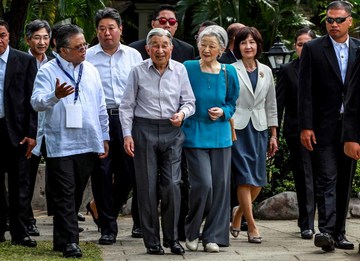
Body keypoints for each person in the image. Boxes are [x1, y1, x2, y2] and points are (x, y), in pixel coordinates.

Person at [31, 24, 109, 258]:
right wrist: (55, 96)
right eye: (79, 47)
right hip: (61, 143)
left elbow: (101, 105)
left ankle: (61, 238)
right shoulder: (47, 71)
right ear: (63, 50)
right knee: (65, 192)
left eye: (85, 44)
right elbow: (36, 103)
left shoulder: (91, 70)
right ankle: (71, 243)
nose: (84, 49)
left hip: (87, 140)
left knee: (75, 193)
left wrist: (104, 136)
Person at [119, 28, 195, 255]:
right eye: (156, 46)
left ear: (171, 48)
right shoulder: (137, 71)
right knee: (147, 187)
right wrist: (127, 134)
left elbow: (190, 102)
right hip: (144, 130)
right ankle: (151, 240)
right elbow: (126, 106)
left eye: (165, 45)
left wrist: (182, 114)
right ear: (147, 49)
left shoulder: (180, 70)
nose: (160, 50)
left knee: (172, 185)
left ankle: (172, 238)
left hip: (172, 131)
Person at [298, 0, 360, 252]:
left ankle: (339, 233)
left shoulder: (359, 48)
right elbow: (305, 90)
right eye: (329, 20)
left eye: (338, 20)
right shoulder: (313, 48)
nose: (333, 25)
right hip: (323, 126)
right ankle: (325, 231)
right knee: (327, 178)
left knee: (345, 180)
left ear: (350, 21)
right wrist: (305, 126)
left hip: (351, 127)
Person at [86, 7, 143, 245]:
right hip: (99, 119)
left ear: (120, 29)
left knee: (130, 174)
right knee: (101, 172)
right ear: (96, 32)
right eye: (102, 29)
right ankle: (108, 227)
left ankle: (98, 207)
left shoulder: (133, 56)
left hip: (128, 118)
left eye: (111, 28)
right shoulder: (87, 56)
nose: (107, 33)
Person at [182, 25, 239, 253]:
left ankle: (213, 236)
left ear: (221, 49)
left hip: (221, 134)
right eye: (203, 44)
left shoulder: (229, 72)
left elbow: (232, 103)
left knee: (221, 187)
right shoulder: (187, 67)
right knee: (203, 184)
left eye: (212, 46)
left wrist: (223, 112)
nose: (206, 49)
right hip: (194, 132)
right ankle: (191, 231)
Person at [230, 26, 278, 244]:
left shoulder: (266, 70)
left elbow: (271, 105)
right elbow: (227, 100)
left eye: (252, 42)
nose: (248, 46)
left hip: (259, 128)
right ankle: (253, 226)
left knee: (258, 179)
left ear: (258, 45)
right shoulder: (230, 69)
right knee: (244, 176)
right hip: (237, 128)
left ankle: (238, 214)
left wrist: (274, 134)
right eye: (243, 42)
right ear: (237, 46)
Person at [0, 19, 38, 247]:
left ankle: (20, 231)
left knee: (20, 185)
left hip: (17, 131)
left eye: (2, 35)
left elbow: (32, 101)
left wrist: (32, 134)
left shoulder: (24, 61)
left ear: (8, 36)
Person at [276, 28, 316, 240]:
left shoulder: (322, 68)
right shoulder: (287, 69)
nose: (303, 48)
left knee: (323, 178)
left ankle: (327, 223)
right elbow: (279, 103)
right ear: (295, 46)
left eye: (307, 44)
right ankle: (307, 224)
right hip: (296, 132)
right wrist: (274, 132)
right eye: (300, 44)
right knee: (304, 177)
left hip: (324, 132)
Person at [24, 18, 52, 238]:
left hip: (51, 128)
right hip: (29, 128)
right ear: (28, 39)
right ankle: (27, 220)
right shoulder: (21, 61)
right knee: (27, 176)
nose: (41, 42)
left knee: (58, 174)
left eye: (45, 37)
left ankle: (62, 218)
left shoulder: (53, 63)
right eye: (37, 37)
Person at [129, 4, 195, 62]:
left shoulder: (187, 50)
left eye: (171, 21)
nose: (167, 25)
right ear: (153, 24)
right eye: (162, 21)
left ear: (176, 25)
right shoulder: (135, 49)